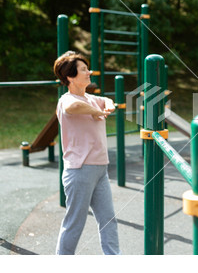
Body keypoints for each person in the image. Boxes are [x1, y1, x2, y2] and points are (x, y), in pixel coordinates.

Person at [54, 51, 120, 255]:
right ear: (70, 77)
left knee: (108, 220)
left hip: (101, 169)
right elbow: (73, 107)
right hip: (80, 170)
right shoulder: (66, 100)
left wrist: (107, 105)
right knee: (75, 223)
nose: (88, 72)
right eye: (83, 69)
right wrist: (95, 111)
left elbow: (107, 101)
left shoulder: (91, 98)